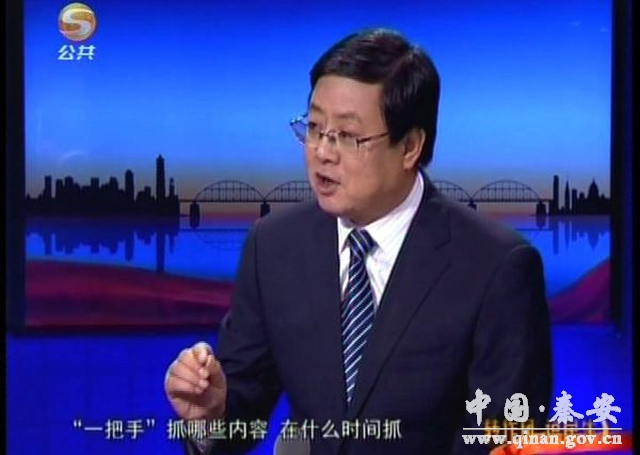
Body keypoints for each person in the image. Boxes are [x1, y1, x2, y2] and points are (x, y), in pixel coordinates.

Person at [164, 28, 552, 455]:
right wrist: (210, 416)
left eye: (348, 136)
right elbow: (243, 409)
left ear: (410, 146)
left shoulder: (496, 266)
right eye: (314, 128)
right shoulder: (274, 246)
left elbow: (505, 438)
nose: (322, 152)